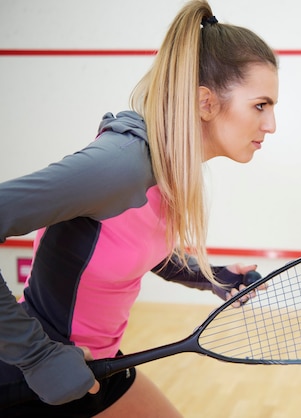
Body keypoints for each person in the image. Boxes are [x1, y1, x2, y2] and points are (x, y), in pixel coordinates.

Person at [0, 0, 278, 416]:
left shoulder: (169, 169)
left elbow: (132, 246)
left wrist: (210, 276)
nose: (271, 124)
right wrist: (38, 357)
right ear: (205, 103)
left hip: (97, 368)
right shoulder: (119, 166)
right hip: (33, 377)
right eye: (261, 105)